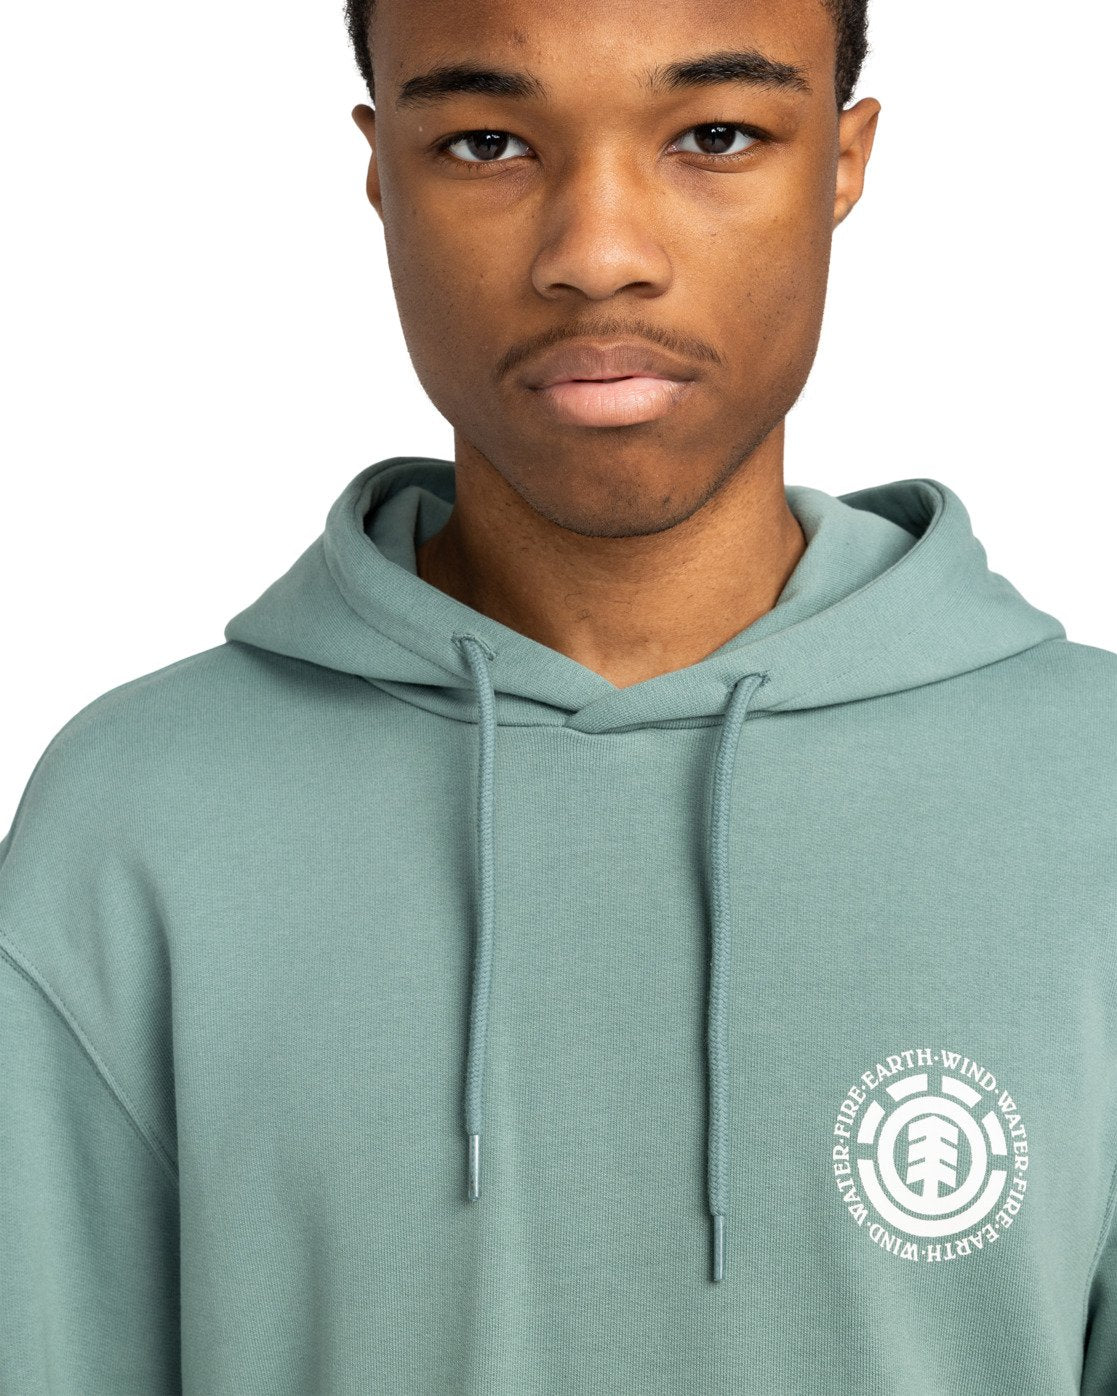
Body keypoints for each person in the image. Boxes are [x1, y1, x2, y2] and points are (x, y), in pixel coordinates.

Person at [1, 0, 1114, 1390]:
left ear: (840, 163)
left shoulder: (1094, 796)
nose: (597, 255)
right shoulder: (139, 825)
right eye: (486, 143)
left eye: (716, 135)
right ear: (380, 173)